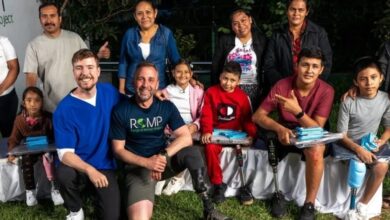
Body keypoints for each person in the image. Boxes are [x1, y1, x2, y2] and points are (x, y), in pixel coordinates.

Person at [110, 62, 229, 220]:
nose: (146, 84)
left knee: (192, 152)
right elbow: (118, 150)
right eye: (141, 79)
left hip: (162, 163)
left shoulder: (166, 106)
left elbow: (186, 137)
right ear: (133, 81)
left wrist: (163, 156)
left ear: (158, 84)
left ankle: (209, 209)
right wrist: (147, 163)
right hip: (138, 169)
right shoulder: (121, 110)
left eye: (151, 80)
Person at [252, 48, 334, 220]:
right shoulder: (282, 85)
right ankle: (277, 194)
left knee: (317, 150)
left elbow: (317, 129)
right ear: (297, 65)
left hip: (311, 135)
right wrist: (279, 128)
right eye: (305, 65)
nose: (309, 70)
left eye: (314, 66)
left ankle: (309, 204)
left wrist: (298, 112)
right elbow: (258, 116)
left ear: (321, 70)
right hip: (287, 133)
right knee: (270, 140)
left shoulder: (327, 90)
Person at [53, 49, 120, 220]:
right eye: (79, 68)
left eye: (90, 67)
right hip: (78, 167)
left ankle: (95, 193)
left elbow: (133, 105)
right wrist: (89, 170)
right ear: (73, 72)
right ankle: (75, 210)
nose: (85, 73)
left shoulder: (109, 92)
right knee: (64, 174)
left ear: (98, 71)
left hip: (104, 166)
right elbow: (65, 154)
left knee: (111, 216)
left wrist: (155, 94)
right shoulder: (64, 109)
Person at [24, 3, 110, 113]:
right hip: (52, 108)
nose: (48, 20)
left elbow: (87, 61)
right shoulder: (33, 46)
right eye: (44, 16)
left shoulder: (74, 38)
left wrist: (99, 56)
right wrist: (31, 106)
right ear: (40, 19)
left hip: (80, 101)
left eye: (52, 16)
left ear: (60, 18)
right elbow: (31, 78)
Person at [333, 57, 390, 219]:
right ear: (356, 82)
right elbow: (341, 135)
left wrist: (382, 141)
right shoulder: (348, 100)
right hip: (348, 144)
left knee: (382, 167)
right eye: (363, 79)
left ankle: (362, 205)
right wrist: (358, 149)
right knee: (358, 164)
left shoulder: (385, 99)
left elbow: (388, 128)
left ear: (381, 78)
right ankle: (350, 206)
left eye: (373, 77)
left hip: (369, 142)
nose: (369, 83)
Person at [201, 61, 257, 205]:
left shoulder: (243, 97)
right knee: (209, 148)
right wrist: (207, 131)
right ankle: (218, 184)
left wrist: (251, 134)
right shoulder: (211, 92)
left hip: (236, 134)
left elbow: (247, 118)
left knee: (243, 151)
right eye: (225, 78)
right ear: (220, 77)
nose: (228, 83)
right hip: (217, 133)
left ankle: (244, 187)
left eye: (232, 80)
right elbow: (206, 113)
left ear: (238, 81)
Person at [7, 86, 64, 207]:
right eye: (29, 100)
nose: (33, 104)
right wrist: (11, 152)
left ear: (42, 102)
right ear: (24, 103)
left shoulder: (48, 118)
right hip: (29, 148)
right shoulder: (19, 120)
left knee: (49, 158)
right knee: (26, 160)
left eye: (37, 100)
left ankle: (55, 188)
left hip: (46, 148)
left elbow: (56, 135)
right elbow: (14, 138)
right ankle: (30, 192)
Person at [158, 59, 204, 196]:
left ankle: (178, 178)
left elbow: (204, 114)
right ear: (173, 73)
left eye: (186, 72)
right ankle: (164, 174)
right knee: (163, 142)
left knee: (185, 143)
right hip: (171, 129)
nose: (182, 75)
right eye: (178, 71)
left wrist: (195, 126)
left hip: (190, 129)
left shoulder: (198, 91)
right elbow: (162, 112)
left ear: (191, 74)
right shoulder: (166, 91)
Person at [263, 0, 332, 90]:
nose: (296, 13)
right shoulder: (277, 35)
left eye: (301, 10)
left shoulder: (319, 33)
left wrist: (312, 87)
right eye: (293, 9)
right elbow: (269, 64)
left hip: (311, 88)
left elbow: (326, 63)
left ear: (306, 12)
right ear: (287, 11)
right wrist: (283, 86)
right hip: (284, 89)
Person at [118, 0, 180, 96]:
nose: (144, 17)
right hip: (132, 90)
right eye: (139, 13)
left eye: (148, 12)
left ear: (155, 13)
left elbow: (176, 61)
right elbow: (123, 62)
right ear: (135, 16)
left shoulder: (165, 34)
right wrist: (121, 89)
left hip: (159, 90)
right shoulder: (129, 34)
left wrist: (191, 79)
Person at [211, 9, 266, 110]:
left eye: (243, 20)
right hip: (229, 86)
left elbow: (266, 65)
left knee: (250, 121)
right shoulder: (224, 41)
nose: (240, 26)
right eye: (236, 23)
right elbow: (215, 66)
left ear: (250, 20)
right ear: (232, 27)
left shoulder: (262, 41)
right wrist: (216, 89)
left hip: (253, 87)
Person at [0, 36, 19, 137]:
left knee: (9, 137)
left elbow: (14, 68)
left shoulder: (3, 41)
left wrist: (0, 89)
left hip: (5, 100)